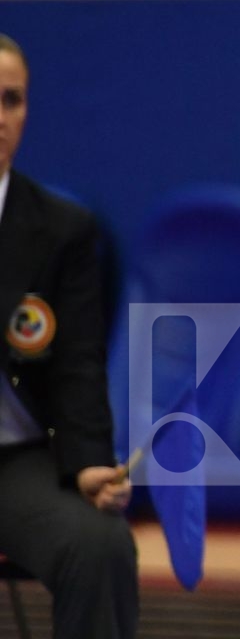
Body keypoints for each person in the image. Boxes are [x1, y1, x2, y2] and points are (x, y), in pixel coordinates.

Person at [0, 33, 138, 636]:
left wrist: (87, 464)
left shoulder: (62, 231)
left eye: (11, 100)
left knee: (98, 544)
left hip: (15, 463)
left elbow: (78, 363)